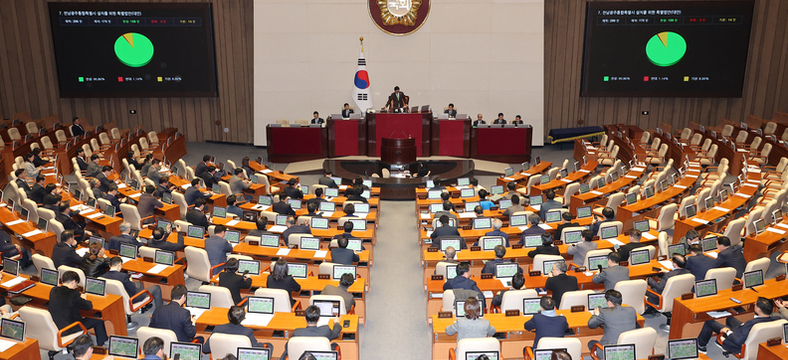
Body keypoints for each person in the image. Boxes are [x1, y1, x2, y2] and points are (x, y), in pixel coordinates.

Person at [696, 297, 778, 353]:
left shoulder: (752, 324)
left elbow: (738, 341)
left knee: (710, 322)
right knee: (730, 318)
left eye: (755, 304)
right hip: (745, 331)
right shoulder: (776, 319)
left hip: (737, 340)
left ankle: (701, 346)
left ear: (759, 310)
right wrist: (744, 326)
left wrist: (728, 332)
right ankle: (723, 338)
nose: (754, 304)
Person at [49, 270, 108, 345]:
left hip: (55, 325)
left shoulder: (54, 290)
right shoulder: (73, 294)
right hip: (69, 327)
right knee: (98, 320)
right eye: (76, 284)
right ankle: (102, 346)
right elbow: (88, 307)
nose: (75, 287)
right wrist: (84, 299)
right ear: (73, 282)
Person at [587, 290, 637, 357]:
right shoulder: (632, 310)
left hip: (611, 353)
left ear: (610, 303)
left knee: (591, 344)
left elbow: (591, 324)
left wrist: (596, 314)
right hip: (629, 351)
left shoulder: (605, 313)